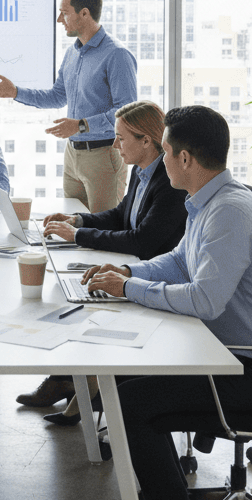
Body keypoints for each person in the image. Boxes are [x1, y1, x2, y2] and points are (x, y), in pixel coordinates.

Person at [82, 106, 252, 500]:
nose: (159, 162)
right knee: (121, 377)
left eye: (164, 152)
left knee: (129, 401)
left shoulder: (229, 213)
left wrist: (129, 287)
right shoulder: (207, 201)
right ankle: (162, 495)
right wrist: (127, 272)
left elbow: (203, 299)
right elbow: (180, 261)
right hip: (227, 351)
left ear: (185, 159)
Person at [16, 100, 189, 414]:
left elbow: (143, 239)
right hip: (135, 269)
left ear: (146, 141)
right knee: (68, 295)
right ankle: (69, 380)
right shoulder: (142, 170)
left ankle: (83, 387)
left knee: (79, 303)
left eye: (121, 138)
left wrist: (79, 236)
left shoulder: (170, 181)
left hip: (154, 279)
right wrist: (79, 221)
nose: (115, 145)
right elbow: (122, 215)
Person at [0, 0, 137, 212]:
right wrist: (15, 92)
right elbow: (57, 97)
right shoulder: (72, 53)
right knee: (73, 227)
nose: (59, 20)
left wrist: (80, 125)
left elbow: (127, 110)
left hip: (104, 156)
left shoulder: (117, 54)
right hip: (72, 155)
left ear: (84, 14)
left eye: (64, 13)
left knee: (103, 231)